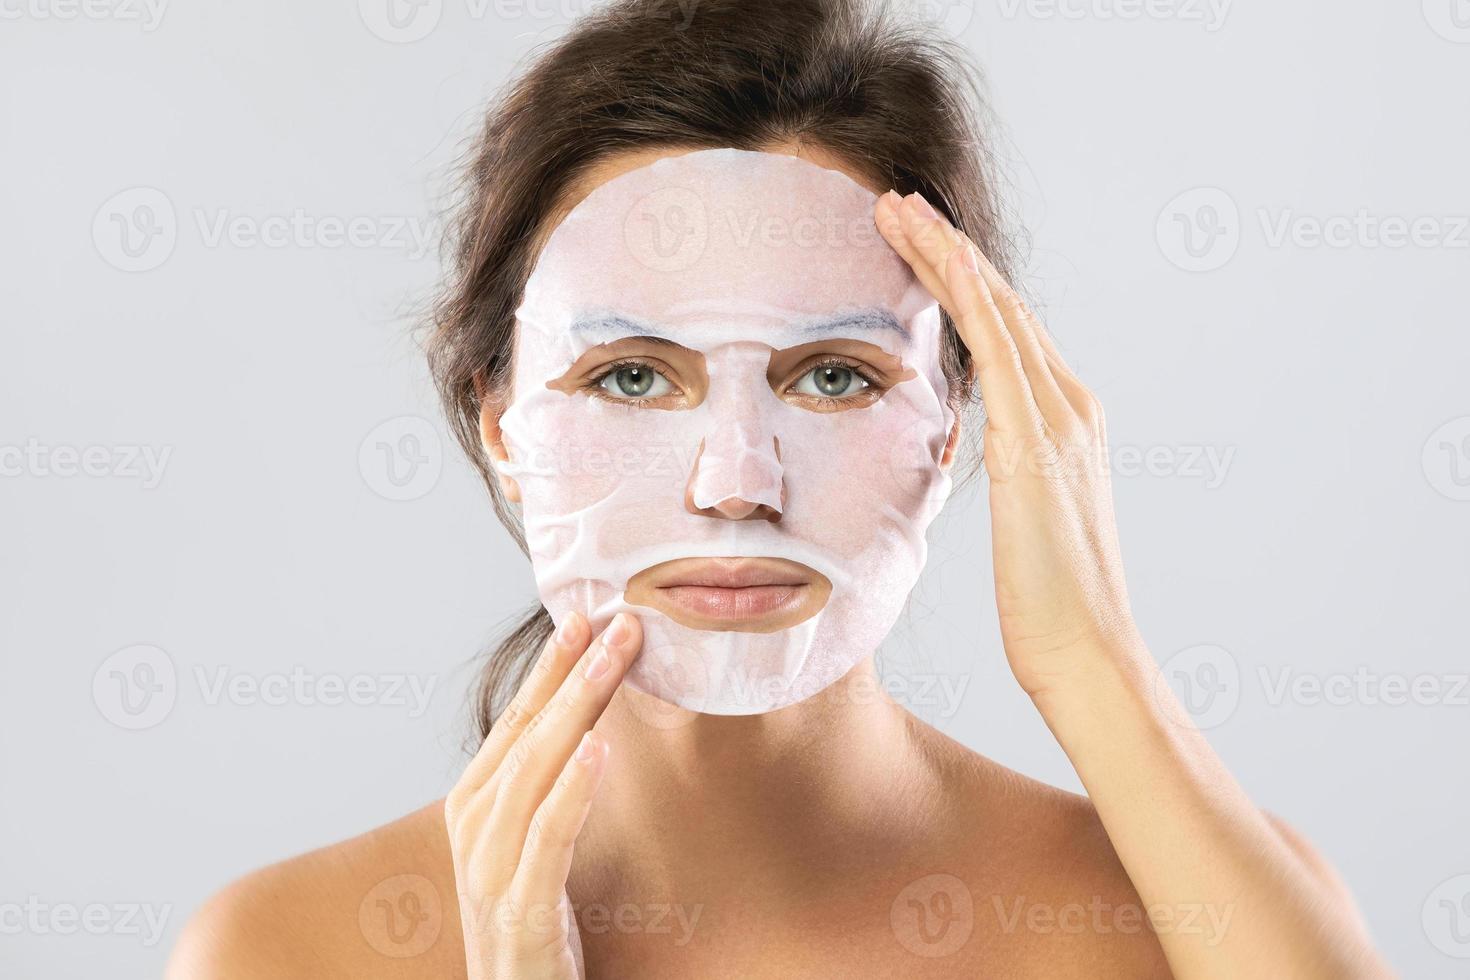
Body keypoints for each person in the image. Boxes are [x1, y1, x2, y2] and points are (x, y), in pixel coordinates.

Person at [167, 1, 1391, 976]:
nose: (736, 481)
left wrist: (1095, 662)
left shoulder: (1181, 922)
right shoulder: (285, 952)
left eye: (835, 375)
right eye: (634, 375)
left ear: (962, 420)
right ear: (501, 420)